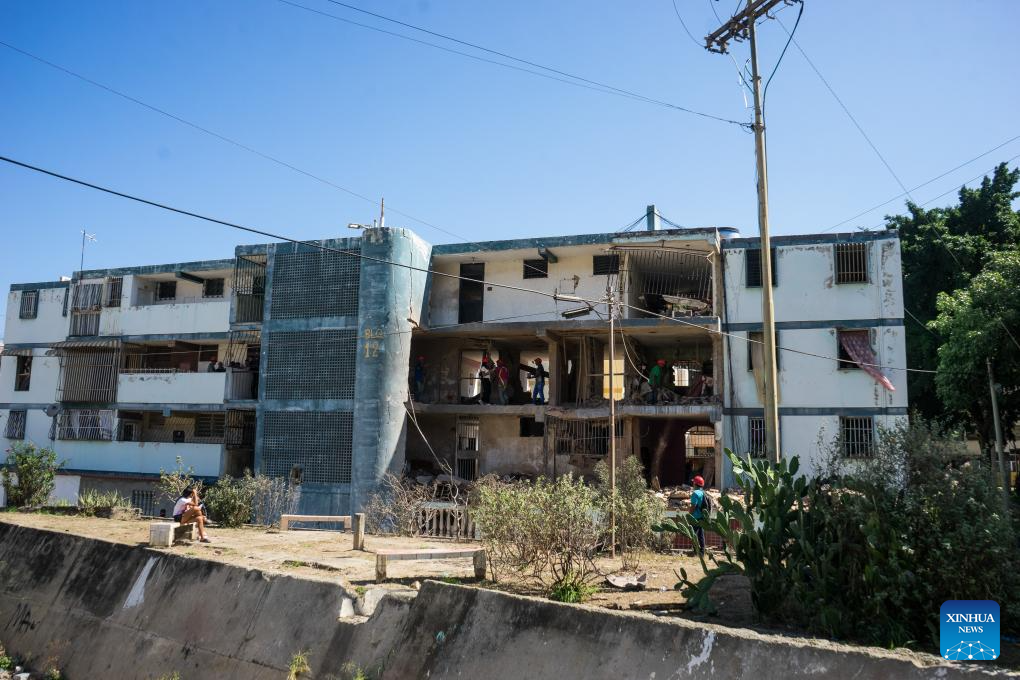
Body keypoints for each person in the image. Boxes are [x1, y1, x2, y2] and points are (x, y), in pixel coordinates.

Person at [689, 475, 708, 553]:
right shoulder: (703, 493)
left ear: (695, 484)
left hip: (695, 517)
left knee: (692, 534)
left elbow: (694, 505)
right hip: (702, 517)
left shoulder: (695, 493)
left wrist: (689, 515)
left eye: (693, 483)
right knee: (700, 535)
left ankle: (695, 551)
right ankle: (702, 552)